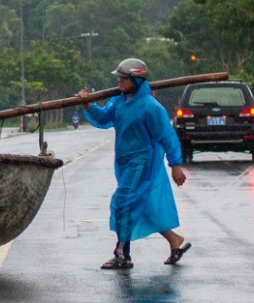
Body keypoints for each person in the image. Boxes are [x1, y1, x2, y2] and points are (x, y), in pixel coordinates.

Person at [77, 58, 192, 270]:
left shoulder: (151, 107)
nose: (119, 81)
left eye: (124, 78)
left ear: (137, 79)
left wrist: (175, 164)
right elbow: (103, 118)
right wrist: (87, 104)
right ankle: (175, 240)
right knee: (141, 204)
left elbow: (167, 136)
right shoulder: (119, 101)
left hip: (142, 162)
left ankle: (122, 254)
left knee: (123, 203)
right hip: (124, 162)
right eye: (119, 77)